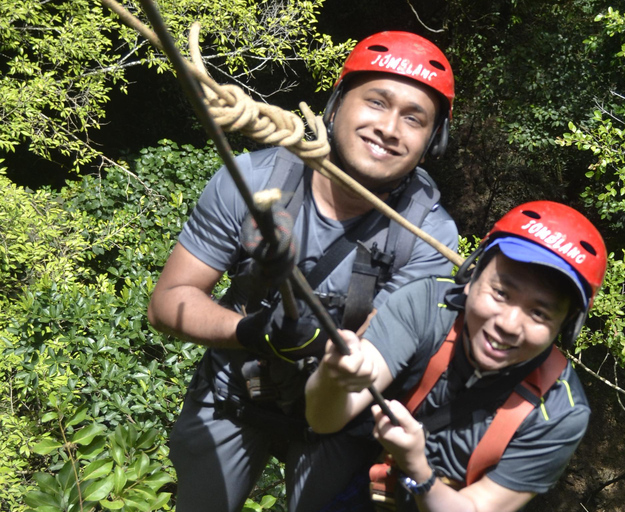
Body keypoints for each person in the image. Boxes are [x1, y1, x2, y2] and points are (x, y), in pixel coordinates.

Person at [147, 31, 459, 512]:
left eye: (414, 118)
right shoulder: (252, 181)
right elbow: (169, 302)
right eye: (376, 102)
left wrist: (329, 352)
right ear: (335, 106)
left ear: (430, 142)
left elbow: (376, 353)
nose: (390, 128)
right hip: (235, 386)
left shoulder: (428, 237)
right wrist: (250, 331)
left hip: (337, 414)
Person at [306, 200, 607, 512]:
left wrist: (418, 469)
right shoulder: (425, 308)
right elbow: (325, 419)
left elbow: (476, 507)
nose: (508, 325)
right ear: (471, 278)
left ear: (566, 327)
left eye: (539, 313)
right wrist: (333, 376)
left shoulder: (559, 412)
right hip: (359, 474)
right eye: (501, 293)